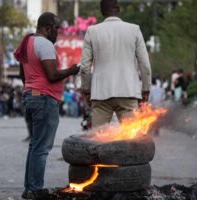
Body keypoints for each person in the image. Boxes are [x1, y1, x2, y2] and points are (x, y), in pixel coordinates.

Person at [13, 12, 80, 199]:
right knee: (42, 148)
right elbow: (52, 75)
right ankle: (34, 189)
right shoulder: (45, 44)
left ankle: (29, 189)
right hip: (44, 99)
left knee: (35, 146)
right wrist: (72, 70)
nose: (57, 32)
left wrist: (33, 85)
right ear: (47, 27)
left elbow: (23, 76)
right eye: (56, 27)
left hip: (30, 96)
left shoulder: (27, 43)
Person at [80, 0, 151, 128]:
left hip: (100, 94)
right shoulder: (134, 29)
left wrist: (87, 91)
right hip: (128, 92)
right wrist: (145, 90)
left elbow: (85, 68)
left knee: (98, 139)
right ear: (118, 9)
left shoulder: (92, 31)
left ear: (102, 11)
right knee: (131, 139)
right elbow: (145, 65)